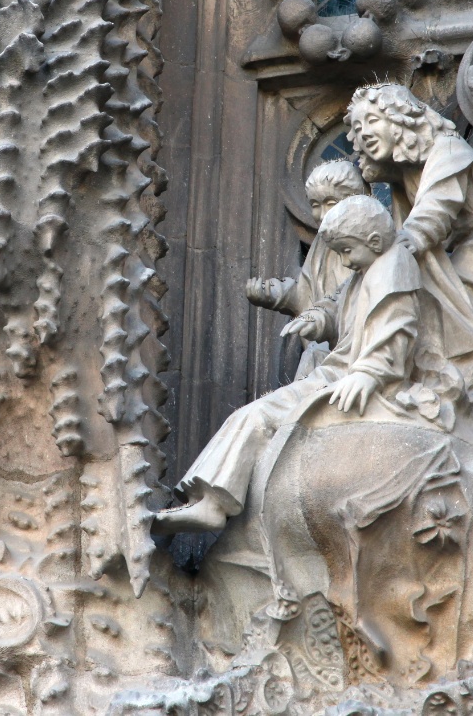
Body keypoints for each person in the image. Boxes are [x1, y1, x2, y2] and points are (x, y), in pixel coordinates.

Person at [153, 196, 421, 533]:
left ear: (375, 242)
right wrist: (317, 320)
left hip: (347, 379)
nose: (344, 261)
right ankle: (208, 501)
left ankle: (212, 505)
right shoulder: (366, 271)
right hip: (335, 372)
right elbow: (337, 308)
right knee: (251, 414)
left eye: (347, 251)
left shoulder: (392, 267)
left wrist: (369, 373)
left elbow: (397, 326)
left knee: (258, 416)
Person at [346, 83, 473, 403]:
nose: (364, 133)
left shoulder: (447, 148)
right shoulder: (402, 174)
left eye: (373, 121)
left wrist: (404, 245)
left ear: (401, 120)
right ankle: (469, 374)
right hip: (472, 241)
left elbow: (435, 209)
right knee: (441, 291)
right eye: (358, 128)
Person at [248, 159, 369, 378]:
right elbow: (305, 292)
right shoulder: (322, 245)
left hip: (359, 344)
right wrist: (273, 295)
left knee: (314, 358)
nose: (322, 215)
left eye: (330, 203)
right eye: (315, 205)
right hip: (324, 339)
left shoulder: (369, 241)